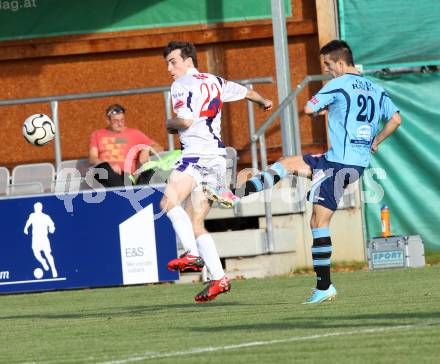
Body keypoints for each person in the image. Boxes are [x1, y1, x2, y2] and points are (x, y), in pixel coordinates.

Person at [234, 39, 401, 304]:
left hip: (340, 165)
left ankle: (324, 287)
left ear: (340, 63)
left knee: (318, 222)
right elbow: (395, 119)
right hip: (344, 161)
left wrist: (317, 110)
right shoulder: (375, 89)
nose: (327, 70)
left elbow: (309, 107)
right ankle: (238, 194)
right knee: (288, 163)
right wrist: (376, 141)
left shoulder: (338, 84)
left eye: (328, 65)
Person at [161, 40, 273, 303]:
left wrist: (169, 123)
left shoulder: (180, 85)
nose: (169, 68)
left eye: (173, 61)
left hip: (196, 155)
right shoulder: (214, 80)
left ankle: (190, 253)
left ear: (189, 60)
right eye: (167, 63)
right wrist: (264, 101)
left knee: (168, 202)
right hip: (217, 158)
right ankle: (219, 278)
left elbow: (185, 121)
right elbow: (246, 92)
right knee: (196, 222)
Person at [89, 104, 164, 187]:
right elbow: (93, 158)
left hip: (125, 176)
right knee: (103, 168)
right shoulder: (97, 134)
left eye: (122, 120)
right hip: (104, 173)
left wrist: (147, 148)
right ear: (107, 120)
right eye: (116, 121)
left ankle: (124, 193)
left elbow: (159, 148)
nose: (120, 124)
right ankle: (128, 193)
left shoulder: (134, 134)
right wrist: (109, 167)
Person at [24, 202, 58, 278]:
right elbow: (28, 222)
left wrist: (51, 229)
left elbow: (52, 225)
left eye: (37, 208)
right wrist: (25, 228)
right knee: (36, 253)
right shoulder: (32, 216)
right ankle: (43, 261)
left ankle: (53, 269)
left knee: (48, 254)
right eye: (35, 208)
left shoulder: (46, 217)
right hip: (35, 238)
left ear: (41, 208)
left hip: (43, 238)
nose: (36, 209)